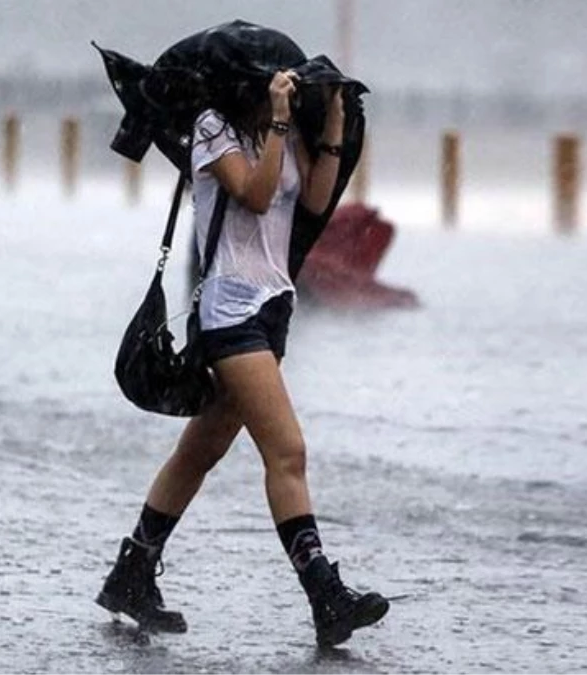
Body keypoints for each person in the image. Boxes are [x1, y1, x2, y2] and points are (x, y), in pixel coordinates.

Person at [95, 69, 390, 648]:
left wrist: (329, 122)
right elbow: (253, 194)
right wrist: (279, 120)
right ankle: (324, 595)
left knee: (200, 450)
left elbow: (315, 198)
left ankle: (131, 571)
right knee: (287, 452)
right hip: (231, 310)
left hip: (272, 306)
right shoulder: (213, 129)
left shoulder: (282, 134)